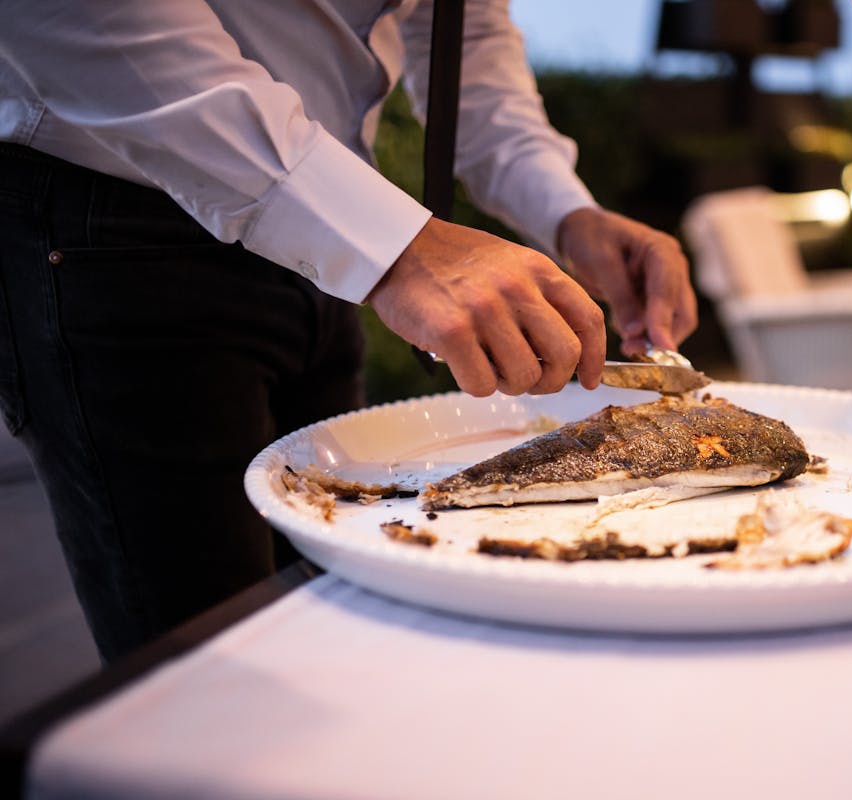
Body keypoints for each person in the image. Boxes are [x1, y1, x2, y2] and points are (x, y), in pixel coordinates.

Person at [0, 0, 698, 660]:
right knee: (207, 669)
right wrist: (398, 250)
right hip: (117, 226)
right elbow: (83, 22)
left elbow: (468, 43)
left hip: (326, 240)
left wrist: (569, 214)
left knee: (342, 620)